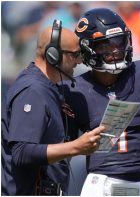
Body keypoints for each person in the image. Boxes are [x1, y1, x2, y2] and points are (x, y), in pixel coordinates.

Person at [63, 8, 140, 196]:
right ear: (87, 49)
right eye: (104, 45)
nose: (115, 50)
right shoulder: (75, 90)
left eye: (119, 41)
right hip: (101, 182)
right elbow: (63, 151)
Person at [1, 21, 105, 195]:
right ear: (53, 55)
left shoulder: (48, 87)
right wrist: (76, 147)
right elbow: (21, 152)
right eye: (75, 55)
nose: (78, 61)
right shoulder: (33, 90)